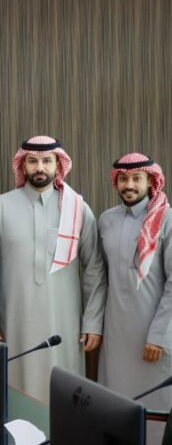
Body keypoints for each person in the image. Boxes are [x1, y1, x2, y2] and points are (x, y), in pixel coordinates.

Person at [0, 136, 106, 402]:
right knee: (15, 391)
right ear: (22, 165)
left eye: (47, 161)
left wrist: (93, 322)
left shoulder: (77, 208)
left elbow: (95, 268)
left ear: (58, 165)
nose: (40, 167)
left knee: (62, 392)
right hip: (12, 321)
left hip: (64, 322)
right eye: (33, 161)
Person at [98, 153, 172, 443]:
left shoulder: (167, 219)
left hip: (153, 337)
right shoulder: (106, 219)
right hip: (116, 335)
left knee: (155, 410)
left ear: (151, 181)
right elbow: (102, 279)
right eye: (123, 179)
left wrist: (159, 335)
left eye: (137, 178)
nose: (129, 185)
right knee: (116, 404)